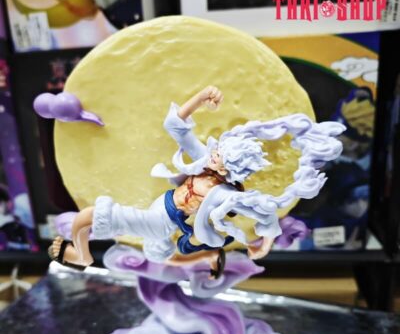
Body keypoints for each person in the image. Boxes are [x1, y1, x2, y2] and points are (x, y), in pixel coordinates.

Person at [49, 86, 345, 278]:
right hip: (161, 209)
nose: (211, 154)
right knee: (157, 255)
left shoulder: (223, 192)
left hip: (161, 219)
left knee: (90, 216)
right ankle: (207, 259)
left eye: (218, 157)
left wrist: (262, 246)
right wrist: (201, 99)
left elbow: (266, 214)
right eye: (216, 152)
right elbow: (176, 126)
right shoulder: (207, 162)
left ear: (229, 168)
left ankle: (82, 256)